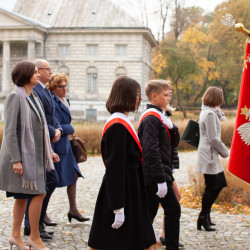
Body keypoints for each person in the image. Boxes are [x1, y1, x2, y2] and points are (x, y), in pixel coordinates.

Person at [87, 76, 156, 250]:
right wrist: (118, 207)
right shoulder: (117, 125)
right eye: (137, 94)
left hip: (131, 187)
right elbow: (115, 169)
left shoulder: (121, 121)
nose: (139, 99)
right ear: (126, 95)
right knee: (118, 240)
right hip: (123, 190)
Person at [0, 61, 58, 250]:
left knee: (22, 197)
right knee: (39, 192)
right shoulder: (14, 98)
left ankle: (16, 236)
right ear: (25, 74)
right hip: (21, 159)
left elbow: (39, 129)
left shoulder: (33, 97)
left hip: (35, 157)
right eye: (34, 72)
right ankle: (33, 236)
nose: (38, 74)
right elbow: (9, 132)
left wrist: (50, 152)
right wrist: (16, 159)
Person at [138, 79, 182, 250]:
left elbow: (173, 143)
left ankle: (138, 242)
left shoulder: (161, 116)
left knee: (149, 213)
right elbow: (151, 151)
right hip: (155, 175)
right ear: (154, 96)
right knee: (172, 210)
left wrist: (172, 127)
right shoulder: (150, 119)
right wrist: (160, 179)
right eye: (165, 94)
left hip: (161, 173)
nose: (168, 97)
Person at [24, 59, 61, 239]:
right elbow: (40, 117)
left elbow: (51, 115)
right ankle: (32, 224)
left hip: (47, 142)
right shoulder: (35, 90)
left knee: (49, 182)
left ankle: (35, 223)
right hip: (39, 144)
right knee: (44, 184)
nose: (51, 72)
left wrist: (58, 129)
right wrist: (53, 130)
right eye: (48, 69)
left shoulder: (43, 89)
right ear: (38, 70)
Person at [47, 73, 89, 222]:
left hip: (66, 144)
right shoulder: (52, 102)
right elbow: (54, 124)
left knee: (74, 175)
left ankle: (73, 209)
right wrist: (69, 128)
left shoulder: (65, 101)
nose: (64, 89)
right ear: (53, 87)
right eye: (60, 86)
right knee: (51, 180)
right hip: (57, 144)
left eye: (65, 85)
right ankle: (42, 212)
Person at [196, 86, 229, 231]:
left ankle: (205, 216)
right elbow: (214, 138)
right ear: (216, 98)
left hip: (211, 154)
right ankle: (203, 218)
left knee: (218, 184)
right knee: (212, 187)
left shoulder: (210, 111)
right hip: (209, 155)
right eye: (220, 97)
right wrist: (226, 152)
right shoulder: (209, 114)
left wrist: (219, 111)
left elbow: (224, 120)